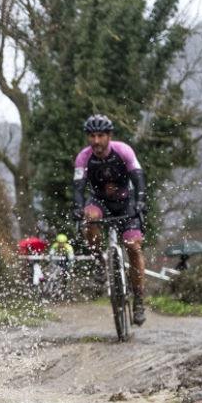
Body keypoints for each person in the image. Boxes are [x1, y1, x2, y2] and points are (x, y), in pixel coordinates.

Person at [72, 114, 148, 325]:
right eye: (92, 136)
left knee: (133, 248)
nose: (96, 141)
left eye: (101, 136)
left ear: (109, 136)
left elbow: (138, 178)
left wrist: (141, 201)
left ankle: (139, 300)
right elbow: (78, 188)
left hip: (126, 200)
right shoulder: (83, 157)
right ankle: (99, 260)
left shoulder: (123, 151)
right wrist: (78, 208)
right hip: (100, 202)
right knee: (88, 218)